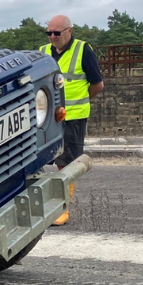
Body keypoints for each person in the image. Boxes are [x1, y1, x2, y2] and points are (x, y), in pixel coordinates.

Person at [40, 14, 104, 226]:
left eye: (57, 33)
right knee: (37, 162)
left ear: (69, 31)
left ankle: (62, 210)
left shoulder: (82, 50)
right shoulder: (42, 52)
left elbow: (97, 84)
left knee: (66, 164)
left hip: (73, 117)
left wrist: (81, 101)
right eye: (49, 32)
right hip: (47, 119)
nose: (52, 37)